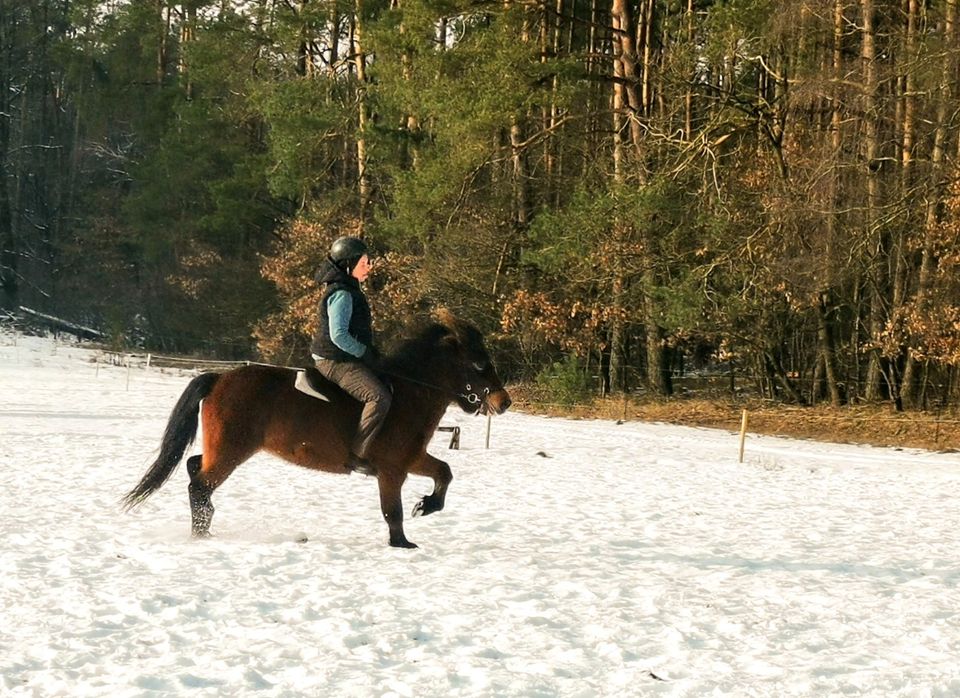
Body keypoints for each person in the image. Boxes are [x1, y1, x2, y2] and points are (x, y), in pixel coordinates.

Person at [310, 236, 390, 476]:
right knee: (379, 397)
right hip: (335, 361)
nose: (369, 266)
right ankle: (357, 455)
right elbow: (339, 336)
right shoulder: (342, 294)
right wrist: (365, 352)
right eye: (364, 262)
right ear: (348, 265)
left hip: (343, 357)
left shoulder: (349, 288)